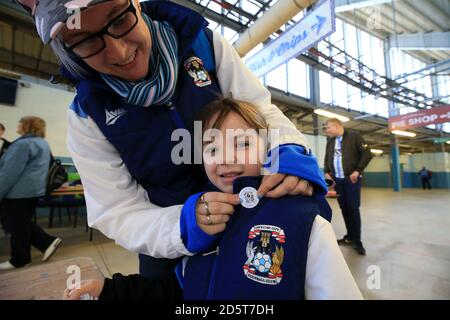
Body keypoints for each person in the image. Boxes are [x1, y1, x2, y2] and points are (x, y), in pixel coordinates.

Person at [16, 0, 327, 280]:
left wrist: (287, 150)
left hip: (253, 219)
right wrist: (183, 225)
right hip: (169, 251)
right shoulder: (88, 114)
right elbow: (116, 210)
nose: (119, 52)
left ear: (136, 3)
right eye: (85, 40)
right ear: (67, 49)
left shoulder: (203, 45)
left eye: (119, 20)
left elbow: (259, 110)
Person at [63, 99, 362, 300]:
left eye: (243, 143)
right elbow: (181, 289)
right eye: (212, 148)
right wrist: (111, 291)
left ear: (269, 147)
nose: (227, 158)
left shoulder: (304, 221)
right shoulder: (202, 218)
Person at [0, 116, 62, 270]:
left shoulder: (23, 144)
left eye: (21, 122)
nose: (19, 125)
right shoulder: (42, 143)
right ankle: (39, 246)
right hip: (33, 191)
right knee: (21, 223)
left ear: (27, 126)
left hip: (17, 192)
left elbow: (10, 172)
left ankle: (21, 258)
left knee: (17, 224)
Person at [324, 118, 372, 255]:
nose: (326, 130)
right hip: (338, 180)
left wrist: (358, 170)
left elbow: (367, 154)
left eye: (328, 127)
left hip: (352, 179)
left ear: (337, 125)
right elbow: (327, 157)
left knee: (353, 208)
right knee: (344, 208)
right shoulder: (330, 141)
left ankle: (357, 241)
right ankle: (350, 237)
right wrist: (327, 171)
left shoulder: (355, 137)